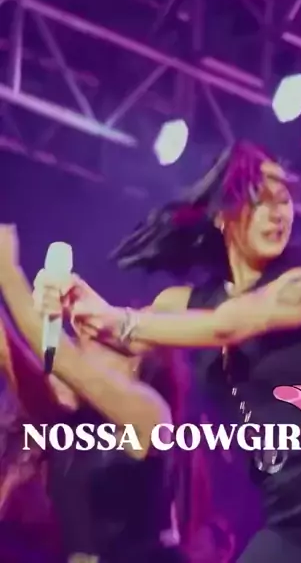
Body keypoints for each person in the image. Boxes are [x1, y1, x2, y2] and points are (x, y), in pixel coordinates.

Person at [33, 142, 301, 563]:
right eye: (260, 200)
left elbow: (226, 325)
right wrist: (75, 301)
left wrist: (111, 318)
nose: (277, 213)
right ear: (221, 215)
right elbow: (123, 335)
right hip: (288, 514)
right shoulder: (184, 302)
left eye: (284, 200)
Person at [0, 226, 201, 563]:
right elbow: (10, 353)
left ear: (134, 364)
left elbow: (61, 360)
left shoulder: (149, 415)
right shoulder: (67, 417)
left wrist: (8, 270)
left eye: (97, 343)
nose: (83, 343)